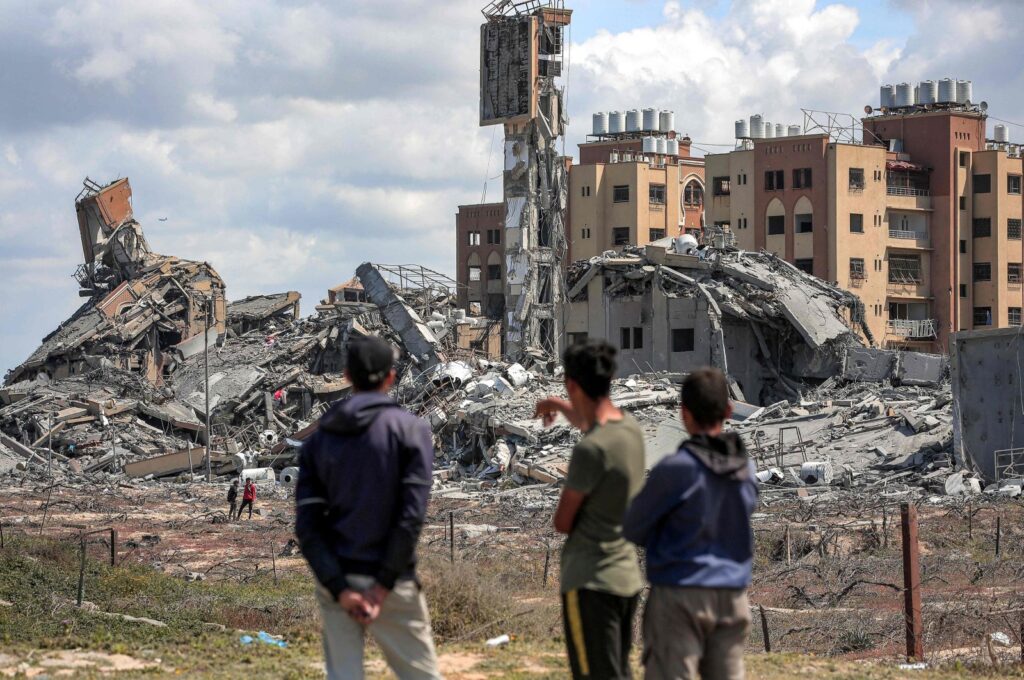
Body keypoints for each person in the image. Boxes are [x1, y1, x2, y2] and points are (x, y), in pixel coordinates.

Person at [296, 336, 440, 680]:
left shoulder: (318, 441)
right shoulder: (411, 432)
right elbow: (410, 519)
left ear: (346, 375)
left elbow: (308, 527)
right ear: (391, 378)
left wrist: (340, 588)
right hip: (392, 583)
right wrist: (382, 585)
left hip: (339, 580)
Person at [623, 368, 759, 680]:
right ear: (728, 411)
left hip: (679, 595)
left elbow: (633, 527)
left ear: (683, 414)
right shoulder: (745, 469)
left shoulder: (674, 470)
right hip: (732, 595)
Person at [534, 340, 645, 680]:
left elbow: (563, 521)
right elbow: (594, 425)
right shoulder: (630, 430)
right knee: (616, 671)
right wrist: (558, 404)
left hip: (590, 583)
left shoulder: (588, 452)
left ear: (572, 384)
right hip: (626, 579)